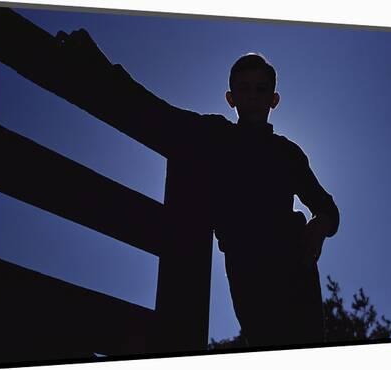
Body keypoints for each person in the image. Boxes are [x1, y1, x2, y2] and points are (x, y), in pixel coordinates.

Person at [56, 29, 340, 348]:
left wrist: (319, 226)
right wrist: (97, 63)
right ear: (230, 98)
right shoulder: (215, 136)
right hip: (249, 266)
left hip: (295, 267)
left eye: (261, 90)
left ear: (274, 99)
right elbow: (153, 111)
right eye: (244, 89)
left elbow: (327, 206)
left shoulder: (289, 153)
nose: (253, 97)